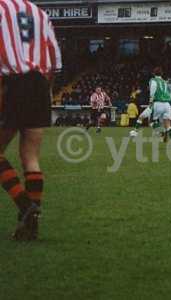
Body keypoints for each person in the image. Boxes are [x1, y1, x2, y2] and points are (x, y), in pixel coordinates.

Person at [0, 0, 62, 240]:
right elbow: (56, 60)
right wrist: (46, 90)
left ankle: (26, 207)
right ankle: (30, 227)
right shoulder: (40, 13)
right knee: (31, 156)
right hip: (39, 84)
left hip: (11, 83)